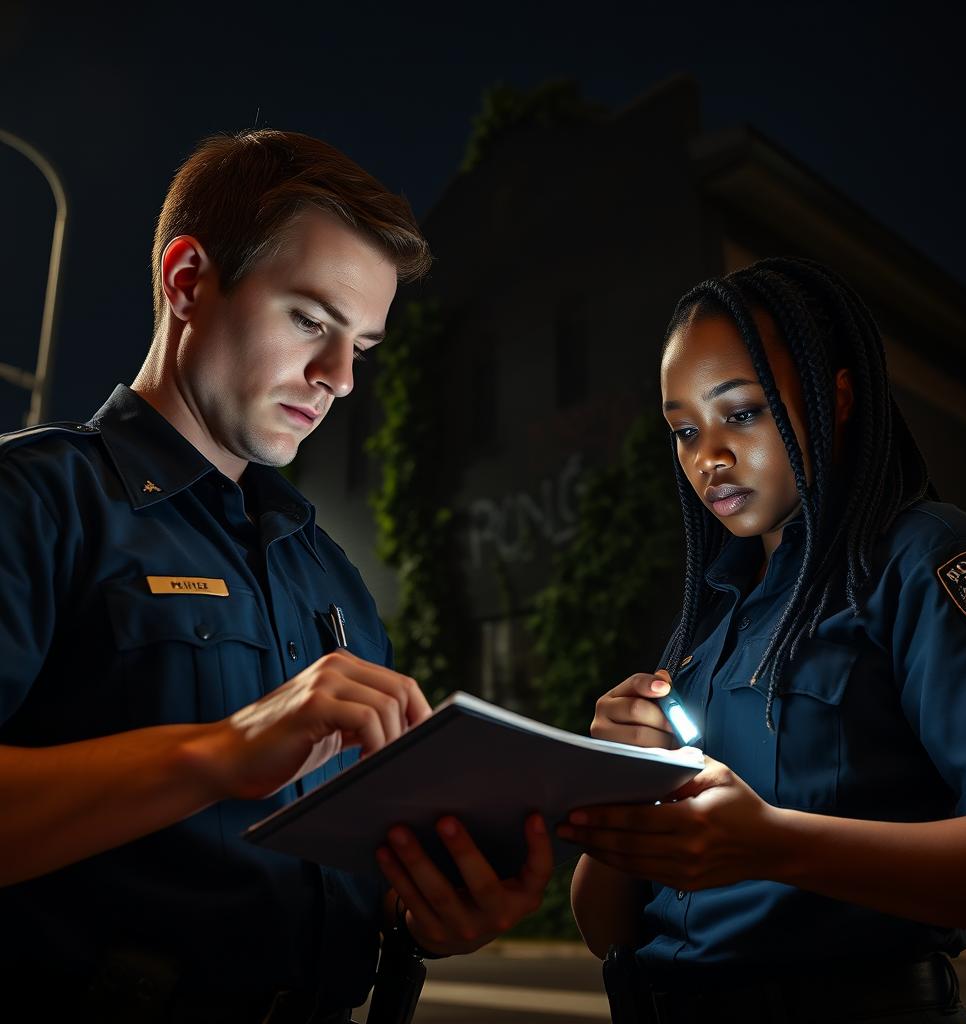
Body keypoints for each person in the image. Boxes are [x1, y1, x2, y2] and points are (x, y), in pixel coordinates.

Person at [0, 130, 552, 1022]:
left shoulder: (329, 572)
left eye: (360, 349)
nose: (337, 379)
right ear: (187, 281)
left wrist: (428, 911)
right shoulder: (35, 501)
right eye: (309, 320)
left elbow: (346, 876)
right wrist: (220, 752)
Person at [561, 258, 966, 1023]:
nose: (708, 457)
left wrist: (772, 845)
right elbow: (604, 928)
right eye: (683, 429)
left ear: (834, 398)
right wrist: (622, 780)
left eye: (740, 413)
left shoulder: (921, 560)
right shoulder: (705, 627)